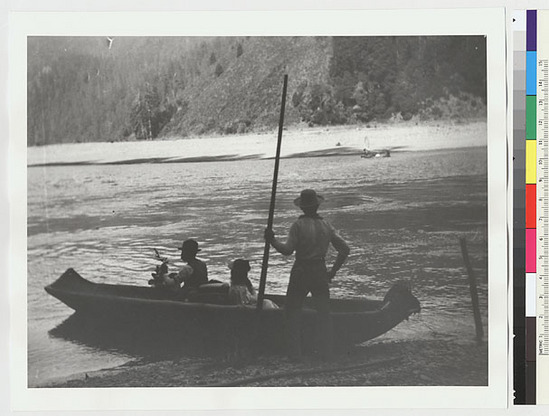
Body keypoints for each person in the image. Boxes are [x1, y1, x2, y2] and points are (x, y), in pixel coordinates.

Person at [264, 189, 350, 360]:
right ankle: (326, 353)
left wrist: (272, 240)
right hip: (319, 270)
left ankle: (295, 354)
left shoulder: (298, 225)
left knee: (292, 313)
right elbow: (345, 250)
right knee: (324, 314)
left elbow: (287, 250)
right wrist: (332, 272)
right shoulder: (326, 225)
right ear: (317, 206)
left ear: (302, 208)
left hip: (301, 270)